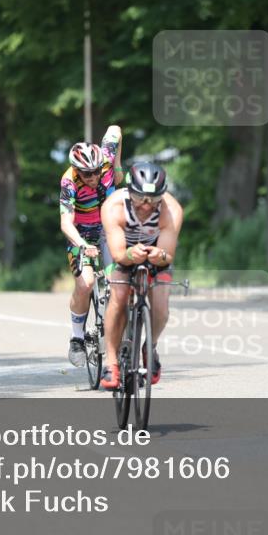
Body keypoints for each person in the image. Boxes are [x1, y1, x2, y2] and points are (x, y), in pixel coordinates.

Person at [99, 162, 183, 390]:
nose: (146, 205)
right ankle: (111, 362)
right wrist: (129, 254)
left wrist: (160, 255)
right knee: (118, 296)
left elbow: (167, 256)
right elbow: (118, 254)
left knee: (161, 308)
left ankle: (150, 347)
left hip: (156, 253)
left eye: (153, 199)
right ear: (129, 191)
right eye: (140, 198)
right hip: (122, 249)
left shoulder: (171, 210)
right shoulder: (113, 205)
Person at [59, 125, 123, 367]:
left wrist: (117, 166)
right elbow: (66, 223)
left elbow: (116, 129)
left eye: (96, 172)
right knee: (85, 283)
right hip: (80, 232)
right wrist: (83, 245)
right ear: (77, 171)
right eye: (87, 174)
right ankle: (77, 339)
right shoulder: (68, 181)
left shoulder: (105, 160)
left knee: (118, 280)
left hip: (108, 227)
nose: (94, 177)